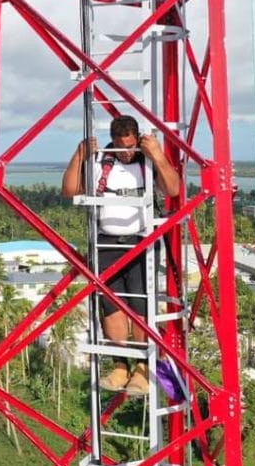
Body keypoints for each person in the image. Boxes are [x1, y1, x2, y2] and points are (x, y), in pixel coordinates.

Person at [62, 115, 180, 395]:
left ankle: (141, 368)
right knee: (111, 307)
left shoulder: (146, 161)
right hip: (106, 244)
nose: (126, 152)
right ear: (112, 141)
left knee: (140, 308)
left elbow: (173, 189)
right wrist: (79, 155)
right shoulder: (102, 161)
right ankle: (120, 366)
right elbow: (69, 190)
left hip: (143, 243)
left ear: (137, 139)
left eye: (130, 145)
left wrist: (158, 155)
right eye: (120, 146)